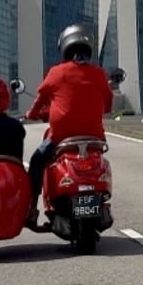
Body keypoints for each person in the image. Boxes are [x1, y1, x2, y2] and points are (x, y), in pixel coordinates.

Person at [24, 24, 113, 227]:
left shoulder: (57, 72)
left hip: (60, 137)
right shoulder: (99, 74)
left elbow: (40, 99)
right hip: (94, 138)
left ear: (65, 48)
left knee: (37, 161)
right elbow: (108, 103)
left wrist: (32, 114)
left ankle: (32, 210)